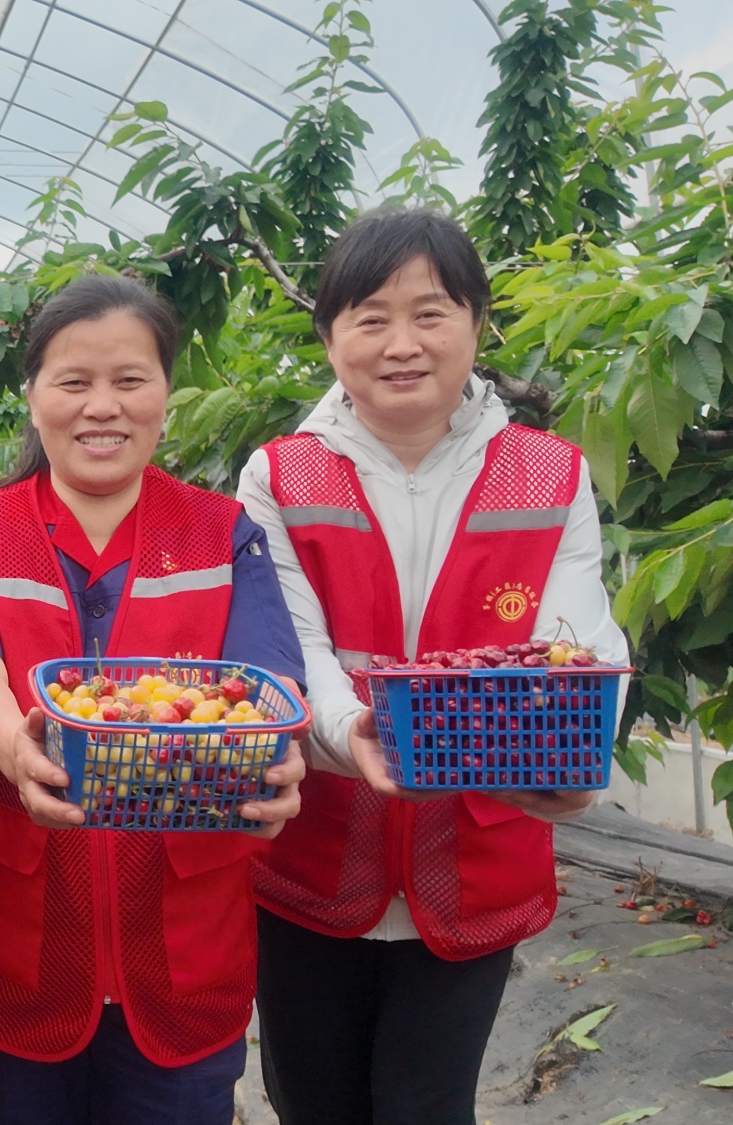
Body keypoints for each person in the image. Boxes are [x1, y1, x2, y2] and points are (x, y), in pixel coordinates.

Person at [236, 207, 628, 1125]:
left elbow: (581, 642)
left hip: (478, 855)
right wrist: (353, 731)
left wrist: (579, 760)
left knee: (427, 1103)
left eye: (431, 313)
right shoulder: (281, 476)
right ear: (329, 335)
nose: (402, 344)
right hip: (314, 855)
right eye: (370, 317)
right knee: (312, 1101)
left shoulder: (549, 473)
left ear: (477, 323)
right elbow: (290, 648)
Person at [0, 274, 308, 1125]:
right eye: (74, 381)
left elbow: (268, 681)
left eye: (131, 379)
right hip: (16, 945)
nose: (103, 405)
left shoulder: (221, 534)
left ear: (166, 394)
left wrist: (275, 761)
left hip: (184, 952)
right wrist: (15, 747)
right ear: (33, 399)